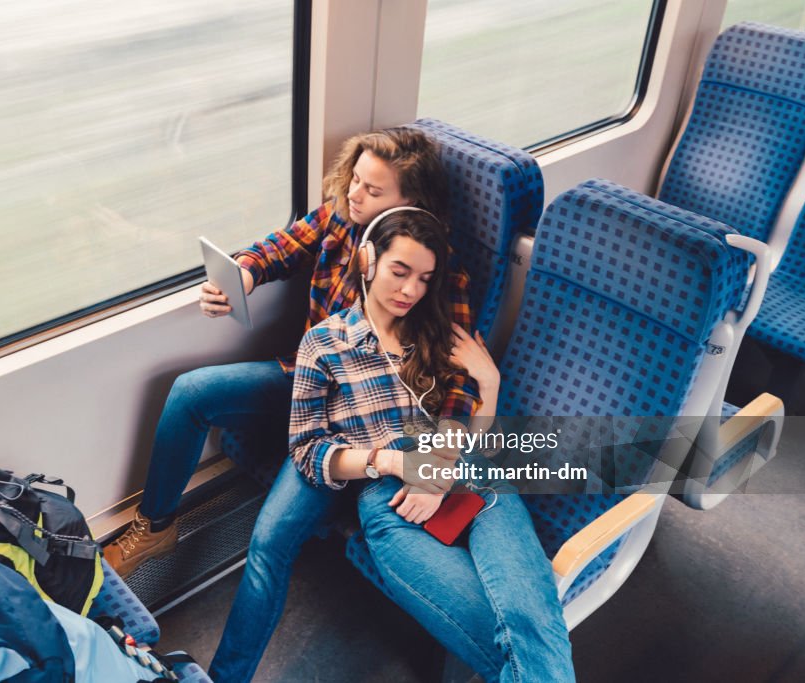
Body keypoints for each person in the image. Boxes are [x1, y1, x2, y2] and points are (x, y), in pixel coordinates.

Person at [209, 209, 575, 682]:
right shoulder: (323, 345)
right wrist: (396, 460)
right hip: (390, 500)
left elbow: (475, 435)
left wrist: (490, 382)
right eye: (399, 271)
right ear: (368, 261)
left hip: (474, 477)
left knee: (532, 623)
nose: (410, 291)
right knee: (505, 640)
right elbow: (307, 450)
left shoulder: (440, 333)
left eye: (424, 279)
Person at [103, 126, 474, 574]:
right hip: (304, 377)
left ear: (408, 207)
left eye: (372, 190)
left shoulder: (433, 276)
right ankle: (156, 528)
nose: (355, 194)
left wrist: (439, 462)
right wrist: (244, 273)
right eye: (355, 178)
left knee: (271, 538)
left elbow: (458, 379)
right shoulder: (342, 217)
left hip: (357, 418)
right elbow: (280, 247)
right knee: (190, 393)